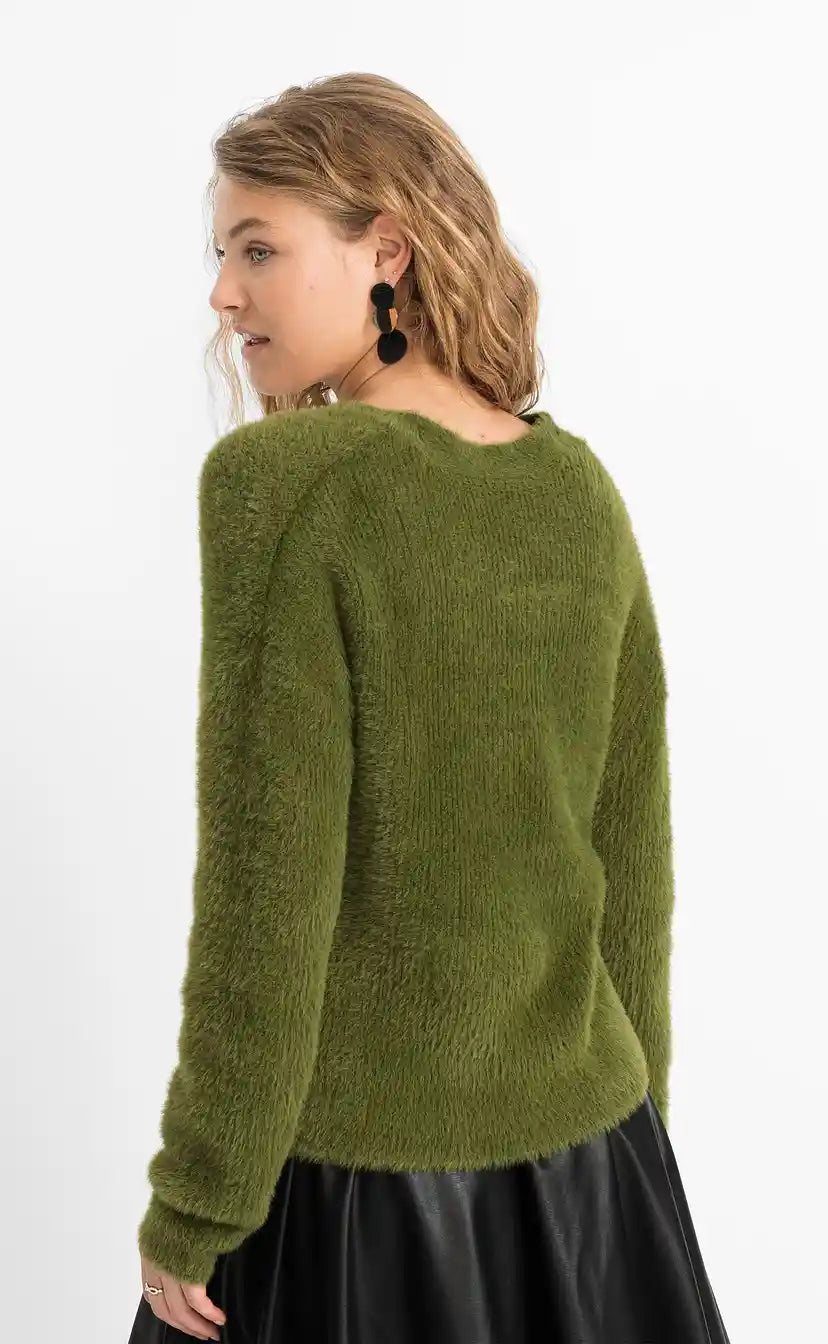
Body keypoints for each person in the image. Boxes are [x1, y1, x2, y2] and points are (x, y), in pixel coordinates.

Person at [128, 70, 731, 1344]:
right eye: (221, 255)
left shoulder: (290, 484)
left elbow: (266, 889)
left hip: (360, 1202)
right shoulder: (576, 487)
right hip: (595, 1166)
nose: (224, 293)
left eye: (258, 249)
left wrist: (199, 1198)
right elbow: (633, 858)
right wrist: (633, 1156)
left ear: (386, 253)